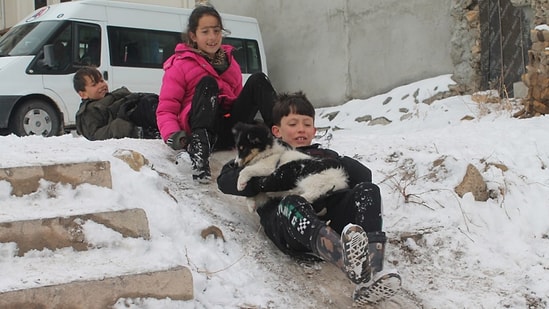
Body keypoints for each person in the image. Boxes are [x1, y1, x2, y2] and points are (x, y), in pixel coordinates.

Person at [217, 91, 402, 306]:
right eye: (293, 124)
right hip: (290, 225)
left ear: (314, 130)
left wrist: (337, 163)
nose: (301, 129)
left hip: (330, 215)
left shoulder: (325, 154)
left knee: (368, 190)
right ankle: (346, 259)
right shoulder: (263, 153)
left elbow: (363, 176)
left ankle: (372, 270)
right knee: (292, 203)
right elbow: (226, 179)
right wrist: (263, 183)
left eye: (306, 124)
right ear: (276, 131)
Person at [156, 4, 277, 183]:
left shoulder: (230, 64)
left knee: (259, 79)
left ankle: (283, 138)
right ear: (193, 35)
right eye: (205, 32)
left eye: (216, 30)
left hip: (229, 128)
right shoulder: (180, 65)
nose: (212, 37)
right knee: (207, 83)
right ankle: (199, 157)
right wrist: (174, 135)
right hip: (202, 131)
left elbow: (237, 99)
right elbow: (166, 109)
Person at [73, 66, 160, 140]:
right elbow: (95, 135)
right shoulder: (89, 111)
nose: (101, 85)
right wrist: (120, 127)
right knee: (148, 107)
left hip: (136, 110)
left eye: (101, 81)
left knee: (151, 101)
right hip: (130, 121)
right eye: (94, 84)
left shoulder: (110, 96)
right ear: (83, 94)